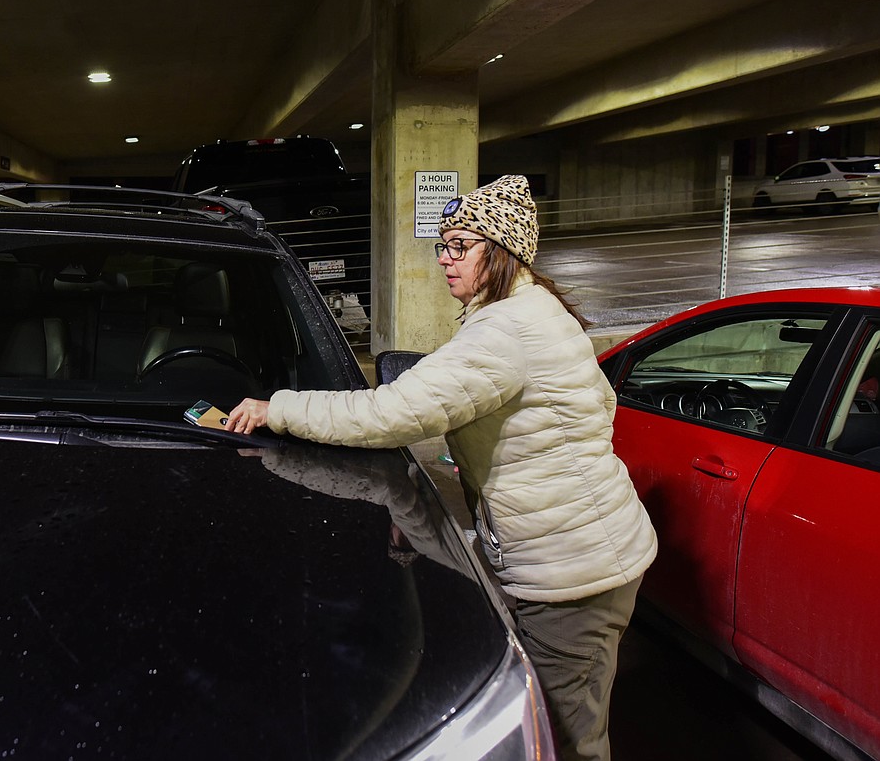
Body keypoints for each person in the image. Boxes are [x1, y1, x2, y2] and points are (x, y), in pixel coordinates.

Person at [225, 174, 657, 761]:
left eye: (461, 245)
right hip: (585, 550)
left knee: (563, 738)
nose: (446, 261)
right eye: (443, 245)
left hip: (569, 573)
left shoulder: (504, 330)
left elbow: (391, 413)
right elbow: (593, 409)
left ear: (500, 252)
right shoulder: (532, 308)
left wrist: (276, 406)